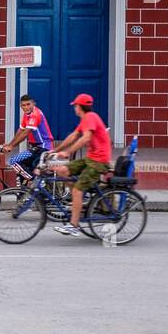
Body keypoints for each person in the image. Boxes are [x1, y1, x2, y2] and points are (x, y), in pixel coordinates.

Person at [49, 93, 113, 236]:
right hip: (90, 159)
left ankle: (74, 225)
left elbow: (86, 138)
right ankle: (80, 198)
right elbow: (73, 136)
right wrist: (56, 150)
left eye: (75, 105)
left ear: (80, 106)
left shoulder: (90, 117)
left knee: (77, 190)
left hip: (99, 162)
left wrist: (68, 152)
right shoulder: (85, 119)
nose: (74, 108)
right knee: (62, 171)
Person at [0, 94, 53, 183]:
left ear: (34, 104)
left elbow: (25, 133)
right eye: (23, 105)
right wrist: (9, 144)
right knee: (21, 168)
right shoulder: (27, 115)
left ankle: (35, 182)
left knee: (13, 161)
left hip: (42, 148)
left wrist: (11, 147)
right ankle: (22, 193)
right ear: (20, 106)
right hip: (35, 148)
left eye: (28, 104)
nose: (26, 107)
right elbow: (20, 130)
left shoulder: (35, 114)